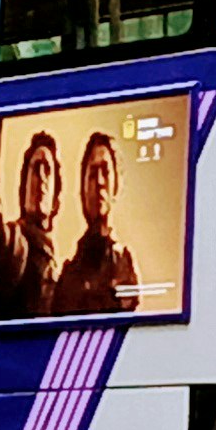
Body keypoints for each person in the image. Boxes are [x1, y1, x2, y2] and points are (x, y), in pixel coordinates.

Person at [0, 119, 64, 324]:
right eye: (35, 169)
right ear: (23, 189)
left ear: (56, 198)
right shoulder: (13, 242)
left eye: (47, 169)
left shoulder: (57, 269)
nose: (41, 178)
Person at [48, 129, 142, 318]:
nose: (99, 182)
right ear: (82, 190)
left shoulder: (125, 265)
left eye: (105, 172)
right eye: (92, 174)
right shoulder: (68, 275)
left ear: (116, 185)